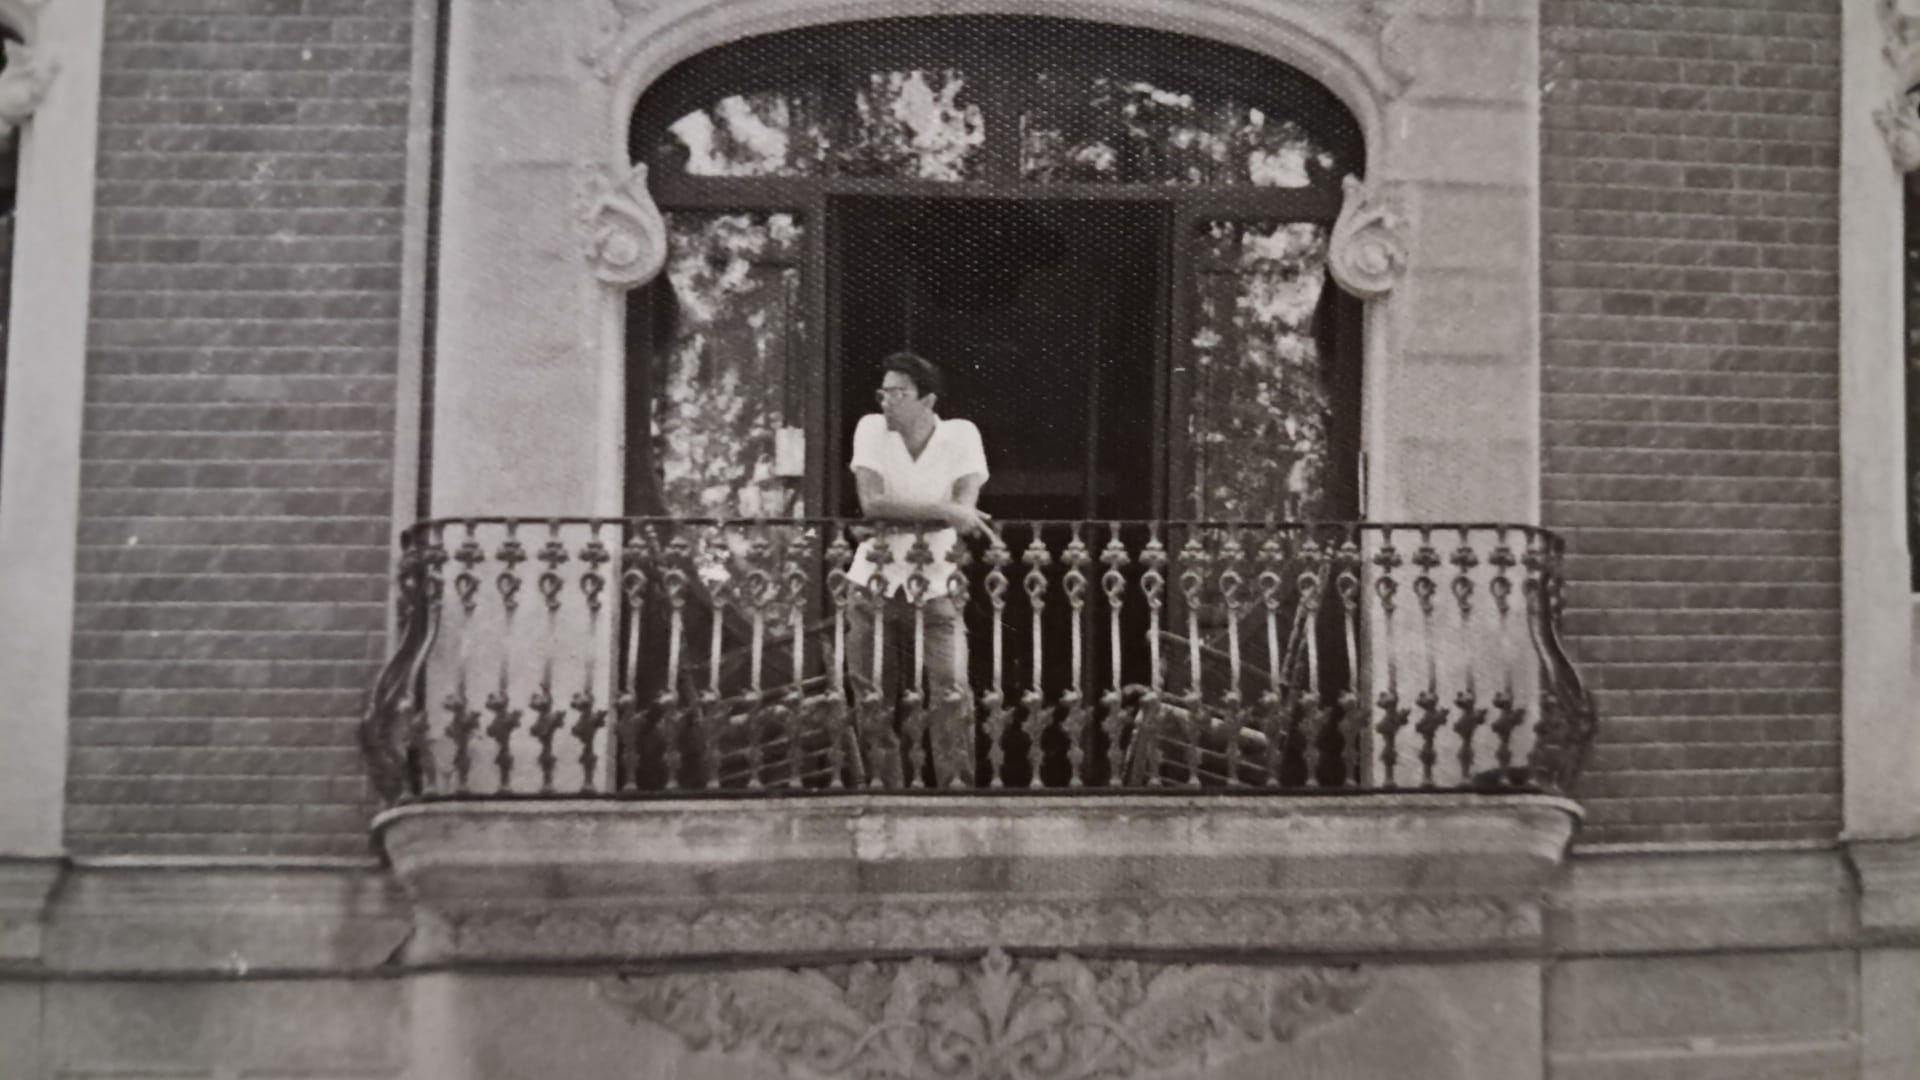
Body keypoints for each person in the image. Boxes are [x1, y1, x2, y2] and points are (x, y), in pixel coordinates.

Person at [845, 352, 992, 787]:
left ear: (927, 400)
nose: (886, 402)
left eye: (898, 394)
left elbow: (967, 509)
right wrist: (941, 509)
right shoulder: (872, 429)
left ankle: (955, 787)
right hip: (871, 579)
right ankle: (883, 787)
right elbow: (872, 504)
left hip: (936, 582)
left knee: (950, 691)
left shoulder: (961, 435)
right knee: (872, 695)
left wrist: (942, 513)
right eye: (883, 392)